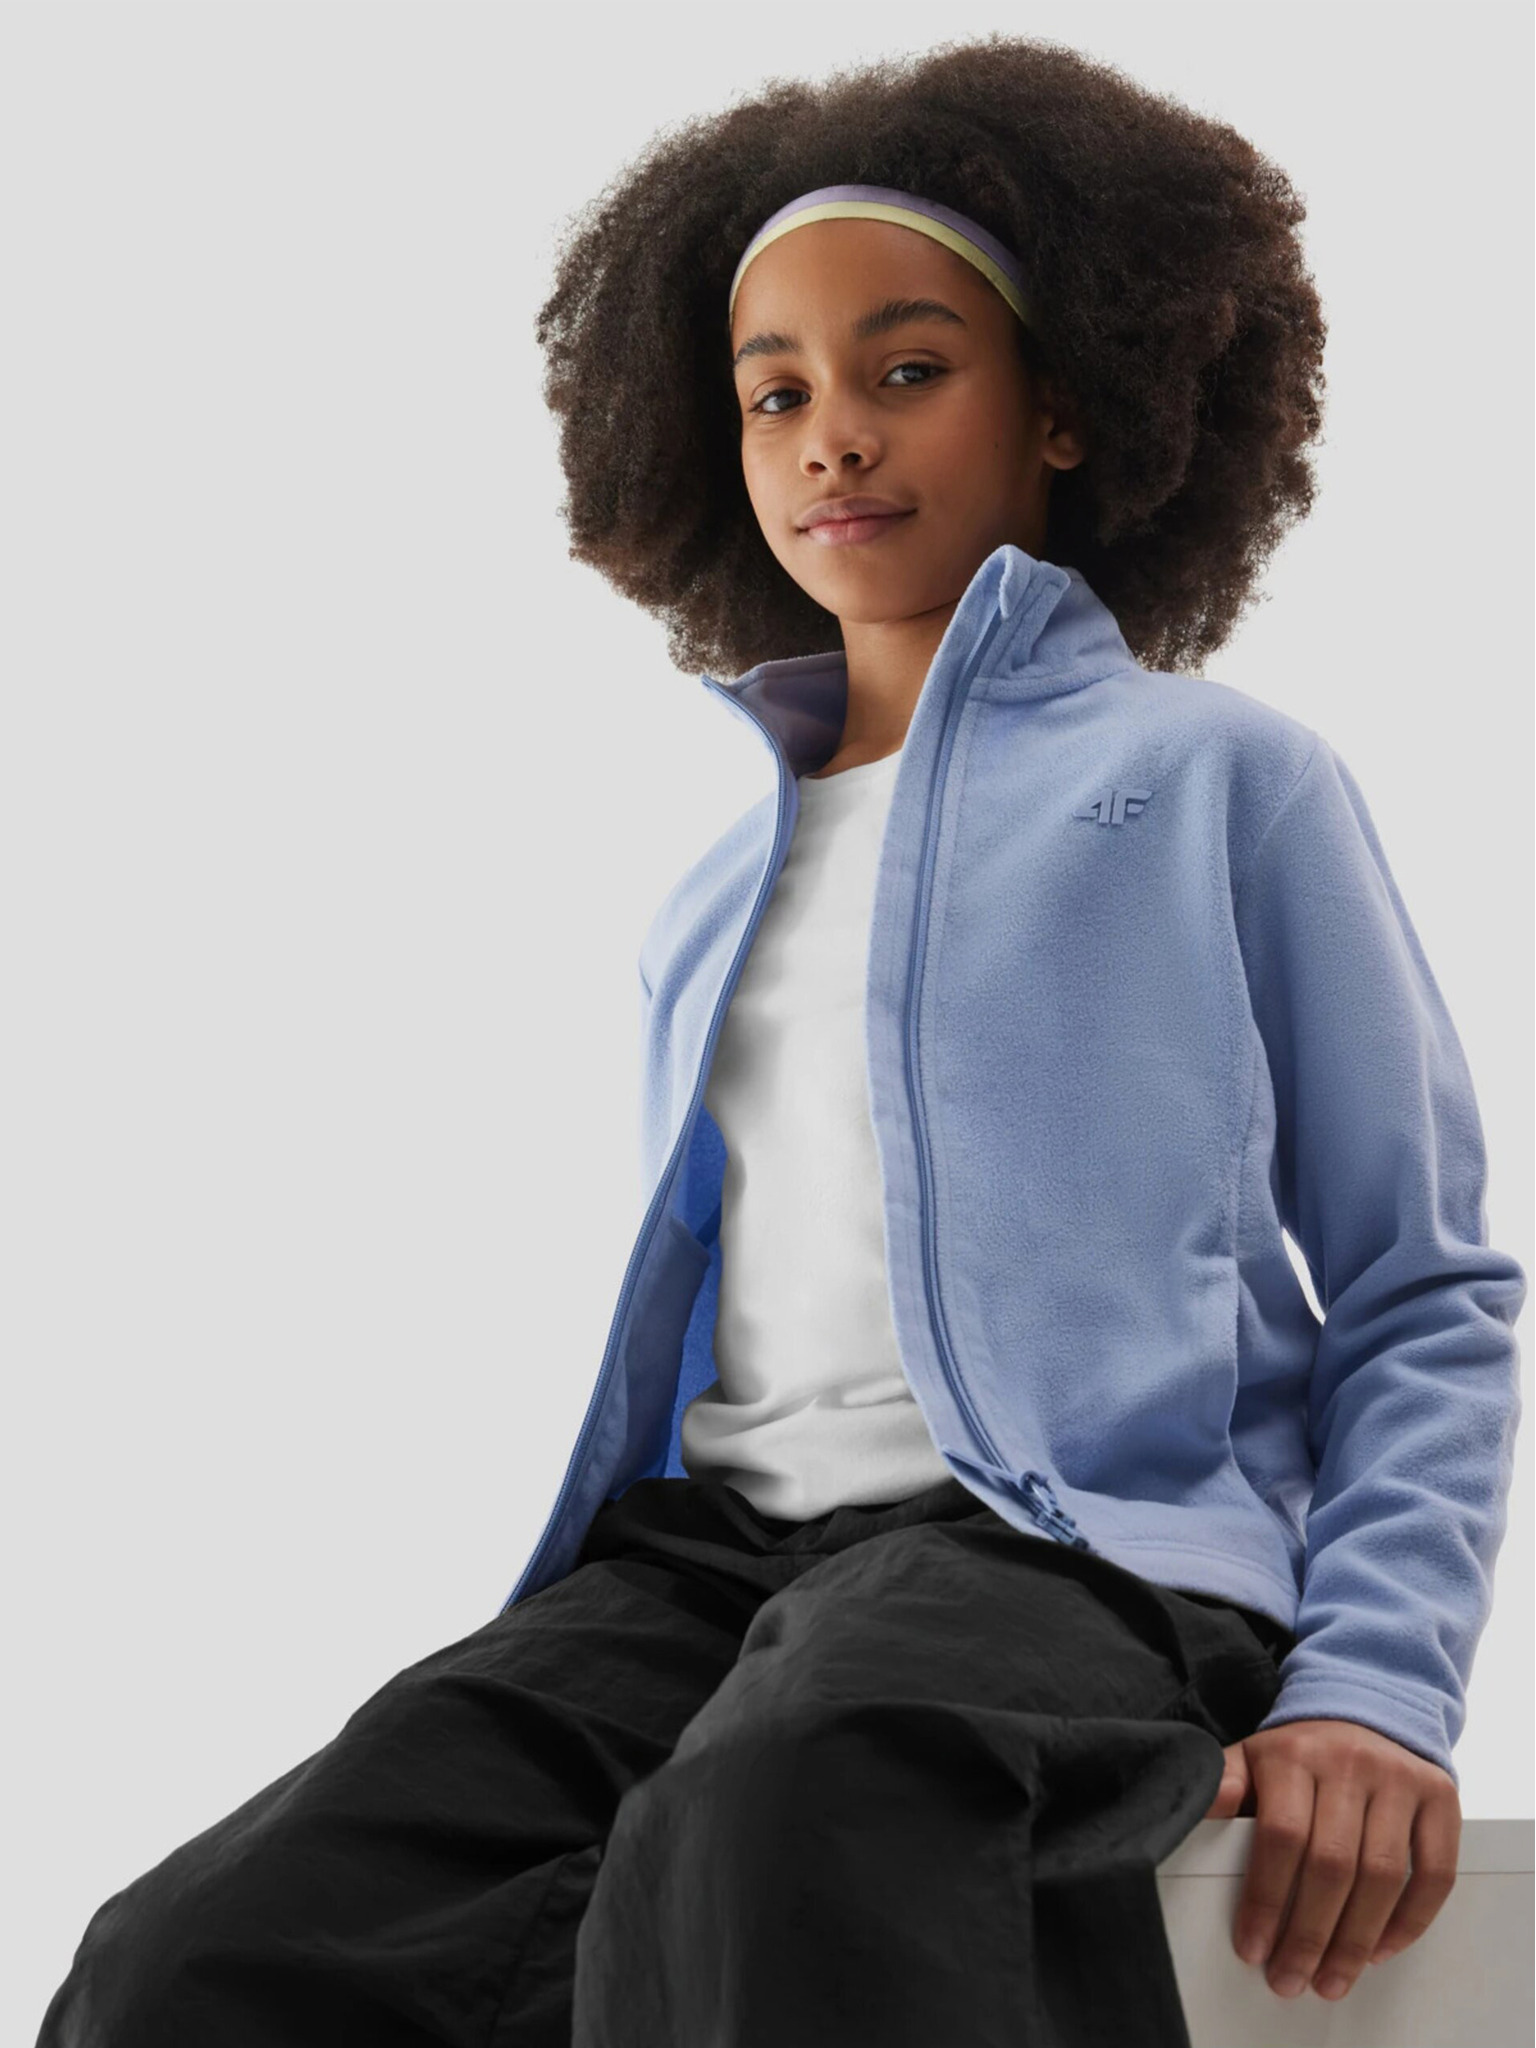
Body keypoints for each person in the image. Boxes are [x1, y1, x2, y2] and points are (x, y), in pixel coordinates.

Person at [37, 33, 1524, 2048]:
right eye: (778, 393)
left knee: (779, 1804)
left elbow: (1425, 1282)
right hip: (708, 1569)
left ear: (1065, 405)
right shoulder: (724, 869)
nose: (835, 437)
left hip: (1069, 1553)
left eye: (907, 370)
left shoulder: (1218, 778)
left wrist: (1375, 1683)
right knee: (195, 1958)